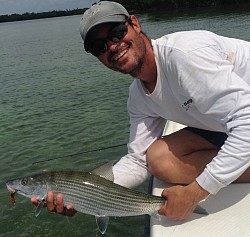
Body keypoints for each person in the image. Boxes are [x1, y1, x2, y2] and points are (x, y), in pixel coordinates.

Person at [32, 1, 250, 220]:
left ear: (135, 24)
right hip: (226, 123)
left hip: (244, 119)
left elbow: (246, 122)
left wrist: (195, 192)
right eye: (100, 47)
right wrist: (81, 191)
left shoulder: (183, 55)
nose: (112, 46)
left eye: (116, 33)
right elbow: (138, 161)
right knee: (157, 159)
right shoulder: (138, 97)